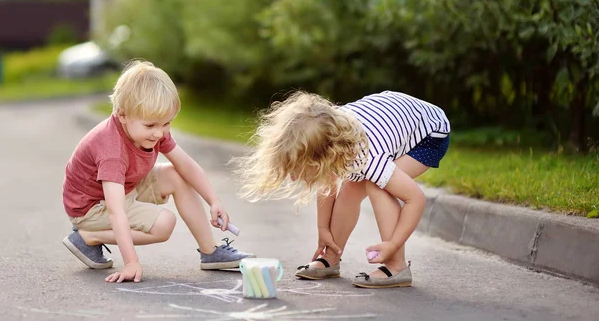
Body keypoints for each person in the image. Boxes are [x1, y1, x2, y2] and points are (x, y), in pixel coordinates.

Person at [62, 60, 254, 283]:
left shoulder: (151, 128)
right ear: (122, 115)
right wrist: (131, 262)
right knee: (164, 224)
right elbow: (116, 211)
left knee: (175, 174)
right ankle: (88, 236)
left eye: (167, 124)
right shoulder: (111, 151)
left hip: (124, 186)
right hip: (91, 207)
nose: (159, 133)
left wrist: (214, 200)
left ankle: (210, 251)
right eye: (151, 126)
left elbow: (186, 164)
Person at [237, 90, 450, 288]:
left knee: (377, 185)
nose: (292, 177)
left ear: (321, 160)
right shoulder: (328, 136)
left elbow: (416, 199)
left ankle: (397, 266)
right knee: (350, 189)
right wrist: (323, 230)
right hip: (390, 121)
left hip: (429, 135)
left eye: (297, 169)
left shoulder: (367, 157)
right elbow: (327, 182)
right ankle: (331, 257)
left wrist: (393, 244)